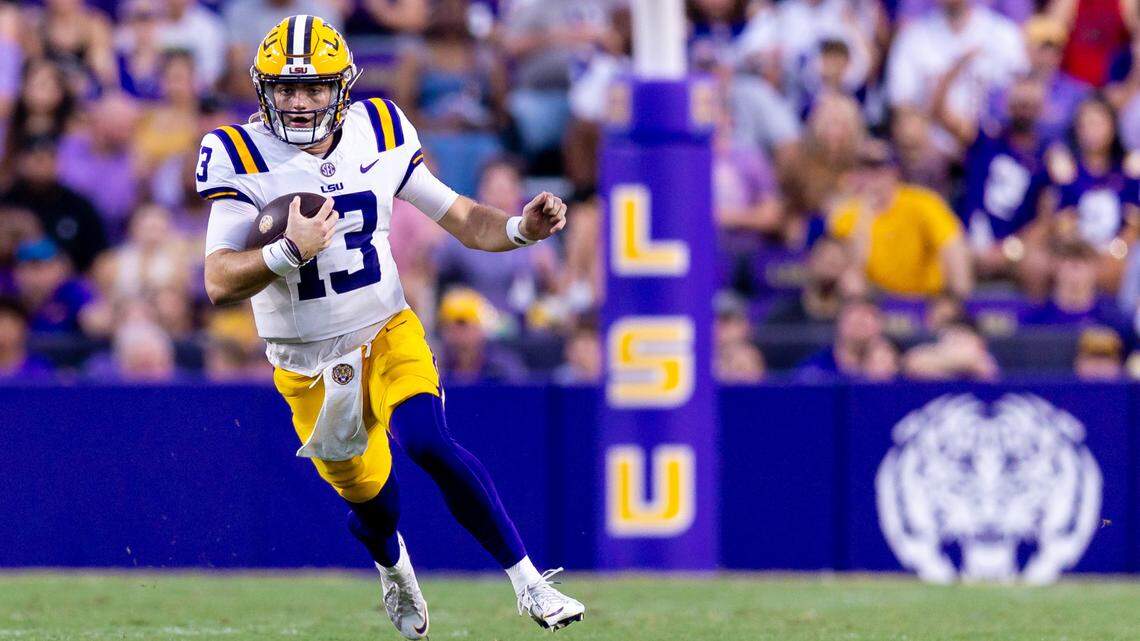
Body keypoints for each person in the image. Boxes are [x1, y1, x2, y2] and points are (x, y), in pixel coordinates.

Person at [195, 16, 583, 638]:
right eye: (286, 88)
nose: (299, 101)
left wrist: (519, 230)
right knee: (376, 507)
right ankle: (393, 563)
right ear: (263, 88)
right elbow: (218, 280)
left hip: (385, 326)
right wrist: (284, 252)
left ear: (341, 87)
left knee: (428, 440)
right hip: (305, 363)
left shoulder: (380, 128)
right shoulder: (237, 153)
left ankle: (531, 583)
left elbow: (458, 215)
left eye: (315, 87)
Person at [827, 139, 974, 299]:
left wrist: (959, 299)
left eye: (876, 168)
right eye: (863, 169)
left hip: (927, 299)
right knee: (851, 282)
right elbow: (853, 267)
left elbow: (952, 246)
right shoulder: (847, 213)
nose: (869, 177)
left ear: (894, 172)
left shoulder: (920, 202)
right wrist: (864, 214)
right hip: (877, 302)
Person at [435, 287, 528, 384]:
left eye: (462, 324)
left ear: (480, 328)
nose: (455, 332)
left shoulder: (502, 369)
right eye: (447, 325)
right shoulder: (437, 368)